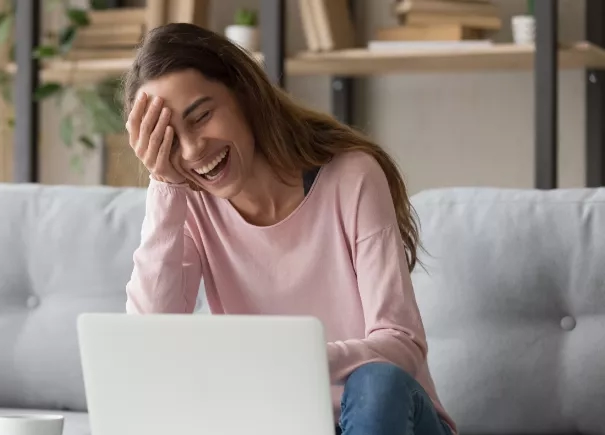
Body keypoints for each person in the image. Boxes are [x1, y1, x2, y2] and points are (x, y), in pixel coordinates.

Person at [122, 22, 456, 435]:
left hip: (392, 420)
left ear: (243, 92)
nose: (191, 150)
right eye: (169, 139)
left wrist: (296, 358)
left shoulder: (351, 177)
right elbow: (147, 345)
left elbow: (402, 343)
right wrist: (165, 186)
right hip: (286, 423)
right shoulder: (189, 208)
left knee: (375, 382)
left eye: (202, 116)